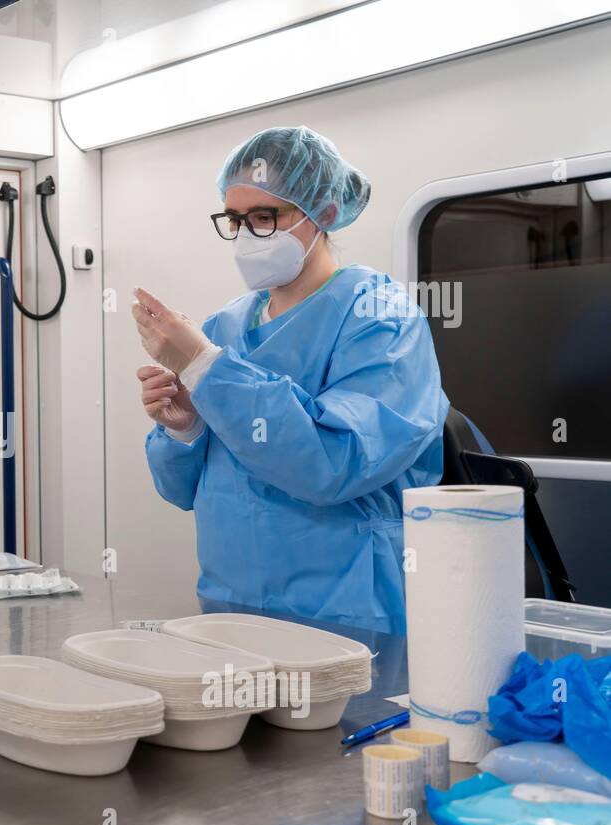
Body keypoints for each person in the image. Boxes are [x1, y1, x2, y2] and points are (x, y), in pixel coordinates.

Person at [135, 126, 448, 635]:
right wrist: (183, 429)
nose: (245, 235)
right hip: (230, 603)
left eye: (264, 217)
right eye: (235, 220)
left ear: (323, 213)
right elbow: (183, 491)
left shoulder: (380, 320)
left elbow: (334, 464)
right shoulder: (224, 328)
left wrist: (207, 367)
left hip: (345, 610)